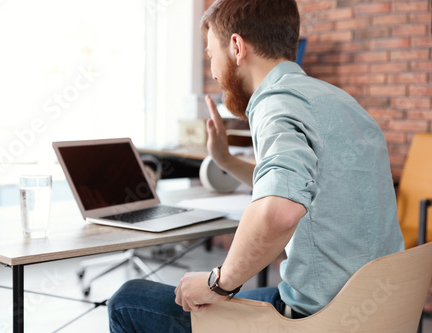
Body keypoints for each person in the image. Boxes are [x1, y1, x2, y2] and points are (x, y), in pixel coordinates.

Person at [108, 0, 405, 331]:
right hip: (381, 311)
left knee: (128, 299)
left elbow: (281, 210)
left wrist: (217, 282)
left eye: (210, 56)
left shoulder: (276, 103)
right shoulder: (342, 102)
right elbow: (303, 185)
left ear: (236, 47)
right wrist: (225, 160)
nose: (213, 72)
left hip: (319, 319)